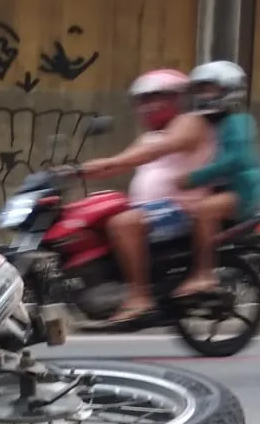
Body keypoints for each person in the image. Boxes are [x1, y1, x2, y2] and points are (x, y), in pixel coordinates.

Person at [75, 68, 217, 327]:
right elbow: (120, 166)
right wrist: (75, 171)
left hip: (182, 209)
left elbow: (154, 152)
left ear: (176, 98)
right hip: (153, 211)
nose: (148, 106)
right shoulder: (149, 136)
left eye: (156, 98)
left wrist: (107, 162)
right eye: (143, 100)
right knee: (93, 213)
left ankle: (140, 297)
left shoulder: (189, 123)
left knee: (124, 222)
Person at [175, 60, 260, 298]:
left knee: (205, 211)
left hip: (243, 191)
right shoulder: (216, 122)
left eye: (210, 88)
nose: (204, 95)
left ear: (229, 89)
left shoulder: (238, 121)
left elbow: (234, 160)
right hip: (230, 188)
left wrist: (194, 178)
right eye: (201, 89)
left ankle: (204, 275)